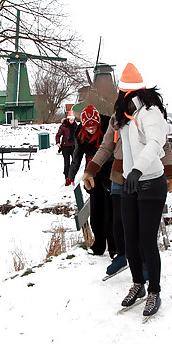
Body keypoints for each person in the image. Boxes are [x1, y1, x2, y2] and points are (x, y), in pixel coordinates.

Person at [105, 63, 172, 317]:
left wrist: (137, 170)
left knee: (147, 240)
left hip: (151, 181)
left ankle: (155, 290)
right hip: (129, 183)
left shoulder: (150, 111)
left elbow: (157, 141)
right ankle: (138, 284)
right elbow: (115, 142)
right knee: (130, 238)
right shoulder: (124, 115)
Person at [82, 110, 172, 279]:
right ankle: (122, 254)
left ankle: (145, 262)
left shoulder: (150, 117)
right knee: (118, 220)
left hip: (144, 174)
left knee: (142, 223)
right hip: (119, 174)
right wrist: (91, 170)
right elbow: (106, 146)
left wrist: (170, 173)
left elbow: (165, 147)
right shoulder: (116, 118)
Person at [67, 105, 115, 257]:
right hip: (92, 176)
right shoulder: (80, 134)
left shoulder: (108, 127)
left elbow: (114, 151)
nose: (92, 130)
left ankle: (114, 247)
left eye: (94, 127)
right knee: (95, 213)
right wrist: (71, 175)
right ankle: (99, 245)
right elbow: (76, 156)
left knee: (110, 214)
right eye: (88, 128)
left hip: (110, 173)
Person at [55, 113, 77, 186]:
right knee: (67, 163)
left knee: (74, 163)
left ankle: (72, 178)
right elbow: (58, 135)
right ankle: (66, 177)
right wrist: (58, 142)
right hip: (65, 146)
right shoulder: (63, 126)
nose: (72, 121)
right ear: (68, 119)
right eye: (70, 120)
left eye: (73, 120)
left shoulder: (75, 126)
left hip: (73, 146)